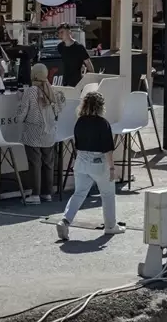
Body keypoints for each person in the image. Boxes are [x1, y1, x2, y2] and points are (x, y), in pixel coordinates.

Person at [55, 91, 125, 240]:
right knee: (107, 194)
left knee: (79, 193)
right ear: (101, 106)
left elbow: (78, 143)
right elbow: (108, 149)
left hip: (81, 160)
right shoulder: (103, 123)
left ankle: (65, 221)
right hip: (98, 162)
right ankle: (110, 226)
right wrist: (112, 168)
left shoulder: (80, 121)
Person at [19, 62, 65, 204]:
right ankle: (47, 193)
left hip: (33, 132)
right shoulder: (52, 89)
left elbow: (22, 114)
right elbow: (58, 109)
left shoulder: (31, 91)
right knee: (48, 163)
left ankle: (35, 195)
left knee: (35, 163)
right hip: (49, 133)